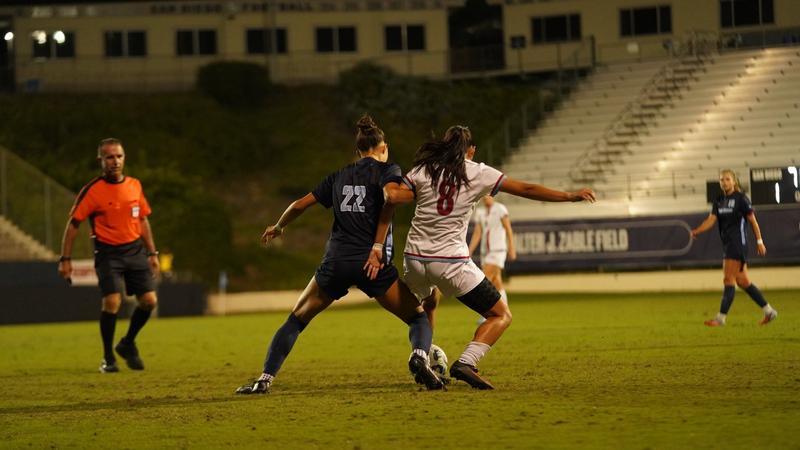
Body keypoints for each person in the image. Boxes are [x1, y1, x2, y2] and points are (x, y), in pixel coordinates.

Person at [366, 125, 595, 390]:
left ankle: (422, 356)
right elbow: (527, 188)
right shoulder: (477, 171)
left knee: (428, 303)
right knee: (500, 314)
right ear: (471, 151)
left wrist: (377, 244)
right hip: (450, 262)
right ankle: (467, 362)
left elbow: (393, 199)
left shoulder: (423, 169)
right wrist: (568, 196)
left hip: (414, 259)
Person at [235, 115, 443, 395]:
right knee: (418, 318)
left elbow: (299, 205)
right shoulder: (388, 169)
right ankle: (419, 357)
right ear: (384, 148)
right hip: (372, 264)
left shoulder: (338, 176)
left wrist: (279, 226)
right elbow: (390, 198)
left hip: (336, 263)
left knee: (296, 320)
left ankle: (264, 380)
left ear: (358, 151)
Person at [57, 138, 160, 373]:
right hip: (108, 253)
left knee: (149, 301)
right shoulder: (92, 190)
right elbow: (73, 225)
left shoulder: (134, 185)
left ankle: (127, 343)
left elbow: (143, 220)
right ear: (101, 160)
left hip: (134, 250)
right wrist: (65, 259)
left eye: (119, 156)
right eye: (110, 157)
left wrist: (152, 252)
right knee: (112, 301)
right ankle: (108, 358)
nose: (115, 161)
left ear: (124, 158)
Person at [691, 169, 778, 327]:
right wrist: (698, 230)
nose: (724, 182)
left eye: (727, 179)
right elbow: (711, 220)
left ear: (734, 181)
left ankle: (720, 318)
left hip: (737, 244)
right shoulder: (719, 200)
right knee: (743, 281)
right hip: (728, 244)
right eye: (721, 179)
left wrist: (759, 241)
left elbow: (753, 221)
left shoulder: (741, 199)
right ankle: (769, 312)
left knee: (728, 279)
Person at [468, 194, 516, 323]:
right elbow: (477, 233)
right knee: (497, 283)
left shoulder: (500, 209)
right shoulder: (480, 212)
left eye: (488, 195)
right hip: (485, 253)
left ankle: (487, 314)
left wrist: (511, 247)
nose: (486, 198)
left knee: (485, 281)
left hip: (498, 250)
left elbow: (508, 229)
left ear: (493, 196)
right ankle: (504, 312)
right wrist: (470, 250)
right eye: (484, 196)